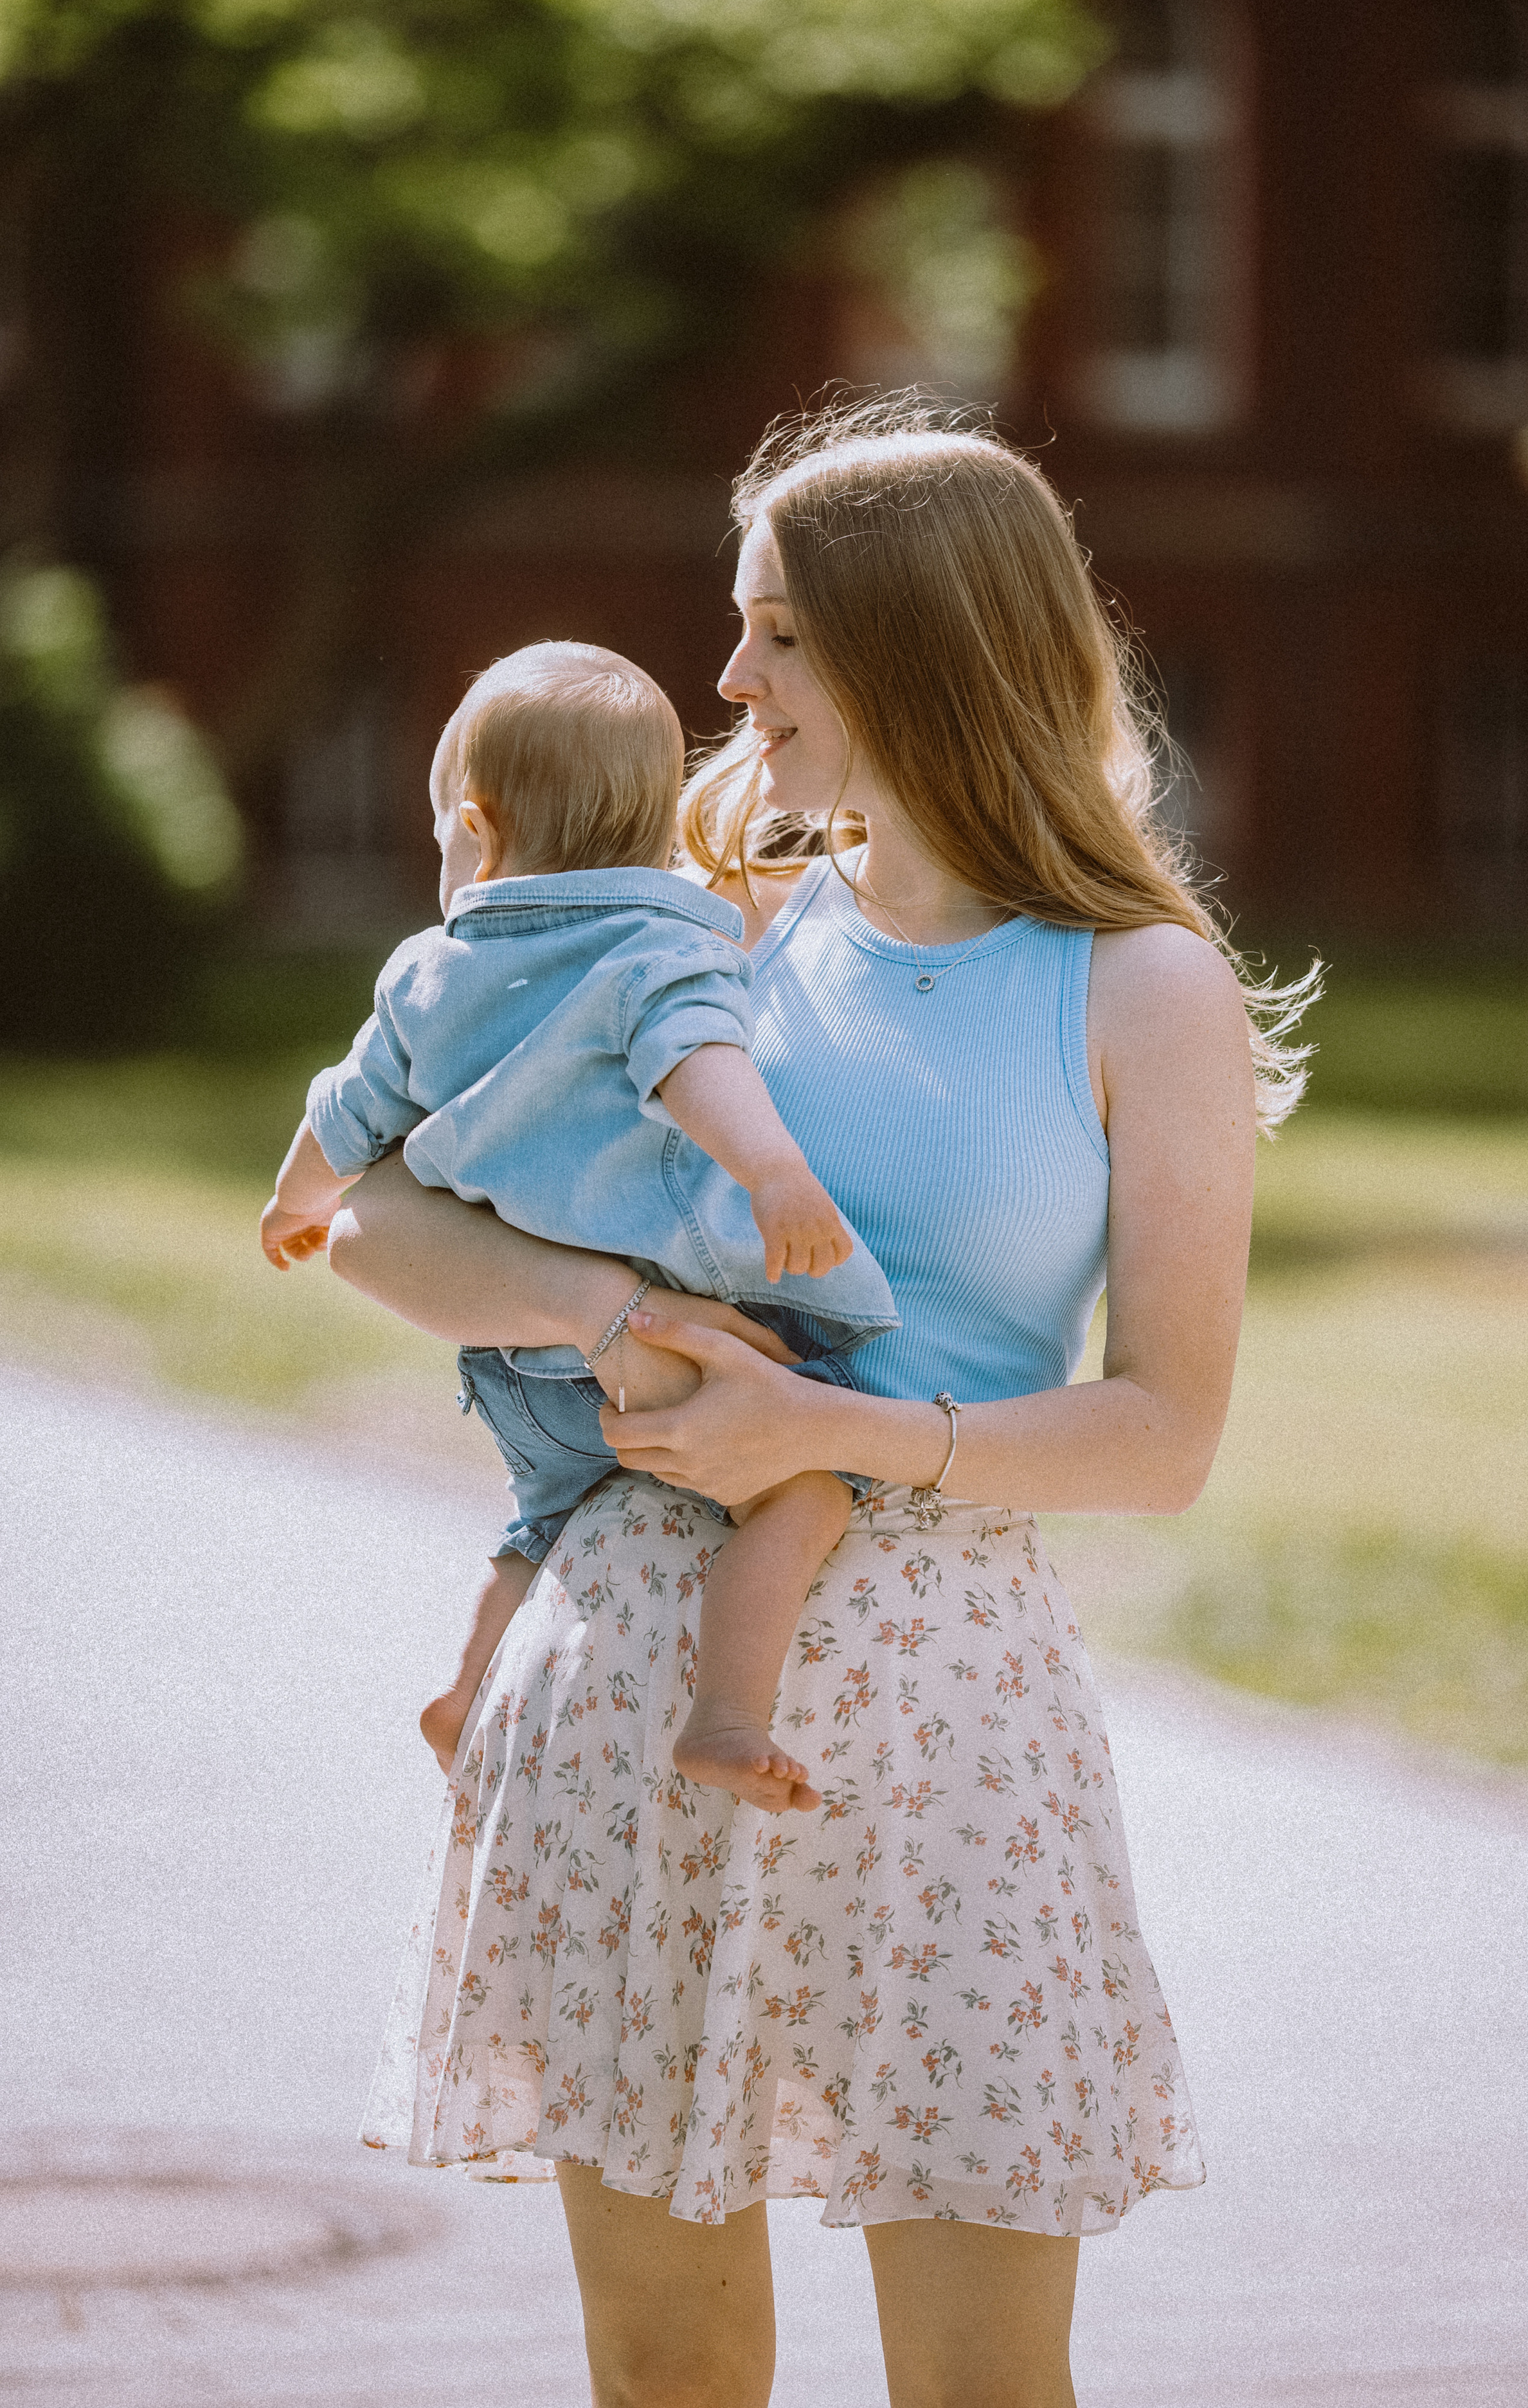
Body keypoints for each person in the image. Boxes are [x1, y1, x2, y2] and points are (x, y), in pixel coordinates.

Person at [329, 400, 1312, 2408]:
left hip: (948, 1738)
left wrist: (833, 1436)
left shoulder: (1142, 989)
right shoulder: (700, 910)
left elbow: (1164, 1430)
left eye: (776, 631)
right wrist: (598, 1313)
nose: (726, 680)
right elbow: (362, 1204)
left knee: (980, 2382)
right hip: (627, 1695)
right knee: (666, 2369)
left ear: (918, 645)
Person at [260, 639, 901, 1809]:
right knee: (807, 1492)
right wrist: (772, 1170)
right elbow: (695, 1058)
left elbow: (346, 1111)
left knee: (541, 1518)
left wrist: (294, 1202)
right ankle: (727, 1715)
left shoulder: (423, 971)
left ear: (478, 824)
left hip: (515, 1365)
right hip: (661, 1347)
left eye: (440, 837)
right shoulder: (660, 948)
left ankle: (464, 1693)